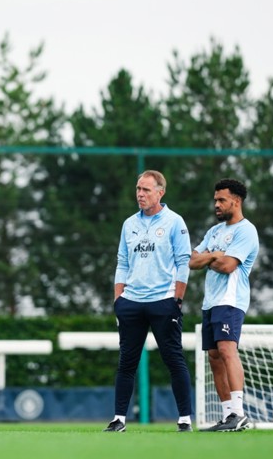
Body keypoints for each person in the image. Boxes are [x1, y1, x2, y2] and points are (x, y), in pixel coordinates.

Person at [104, 170, 194, 433]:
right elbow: (122, 262)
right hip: (131, 303)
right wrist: (118, 299)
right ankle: (119, 418)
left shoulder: (175, 222)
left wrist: (177, 299)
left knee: (173, 359)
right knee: (126, 362)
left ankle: (185, 420)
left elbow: (183, 263)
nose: (140, 194)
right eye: (138, 189)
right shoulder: (129, 223)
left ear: (160, 192)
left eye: (146, 190)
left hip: (163, 302)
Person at [189, 178, 260, 432]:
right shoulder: (214, 231)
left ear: (236, 201)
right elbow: (192, 261)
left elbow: (229, 266)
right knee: (214, 357)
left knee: (228, 350)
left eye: (222, 200)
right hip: (211, 302)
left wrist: (209, 258)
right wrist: (213, 256)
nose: (216, 204)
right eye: (215, 200)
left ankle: (239, 414)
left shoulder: (246, 231)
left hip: (230, 302)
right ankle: (228, 415)